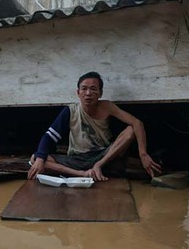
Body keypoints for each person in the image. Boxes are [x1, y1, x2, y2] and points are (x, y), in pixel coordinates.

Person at [27, 71, 162, 181]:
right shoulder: (70, 111)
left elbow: (137, 123)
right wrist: (40, 159)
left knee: (130, 130)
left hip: (104, 155)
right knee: (35, 158)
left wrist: (143, 154)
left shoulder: (107, 106)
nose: (88, 93)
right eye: (84, 89)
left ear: (100, 93)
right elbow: (49, 136)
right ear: (78, 93)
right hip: (77, 159)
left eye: (93, 89)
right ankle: (82, 174)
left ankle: (98, 166)